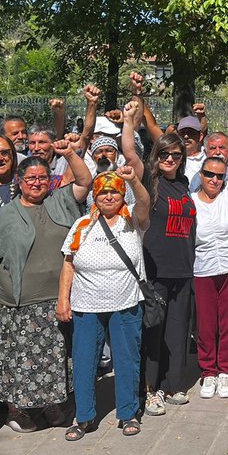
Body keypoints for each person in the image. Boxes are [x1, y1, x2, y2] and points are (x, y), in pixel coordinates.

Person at [0, 144, 92, 434]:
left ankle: (51, 404)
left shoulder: (60, 201)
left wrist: (70, 154)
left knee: (55, 356)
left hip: (59, 297)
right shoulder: (4, 216)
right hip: (20, 301)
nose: (37, 183)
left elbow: (85, 181)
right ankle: (17, 410)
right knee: (19, 357)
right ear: (19, 182)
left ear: (51, 180)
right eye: (30, 179)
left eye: (43, 178)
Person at [59, 167, 152, 440]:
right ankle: (83, 417)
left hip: (125, 302)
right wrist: (63, 299)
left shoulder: (132, 220)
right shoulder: (82, 226)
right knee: (85, 361)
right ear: (94, 197)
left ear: (122, 195)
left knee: (127, 359)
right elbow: (68, 263)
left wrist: (133, 179)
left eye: (114, 191)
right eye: (102, 192)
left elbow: (145, 202)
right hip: (86, 304)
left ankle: (128, 413)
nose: (108, 197)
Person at [140, 132, 197, 415]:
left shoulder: (184, 184)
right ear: (156, 157)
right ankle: (151, 390)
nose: (170, 160)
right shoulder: (149, 184)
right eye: (165, 155)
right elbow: (129, 148)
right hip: (156, 270)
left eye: (176, 155)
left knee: (178, 330)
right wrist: (131, 119)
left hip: (184, 269)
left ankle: (173, 384)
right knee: (154, 331)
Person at [191, 155, 228, 399]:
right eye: (210, 174)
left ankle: (224, 370)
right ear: (200, 175)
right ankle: (208, 372)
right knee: (205, 324)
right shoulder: (190, 202)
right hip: (202, 268)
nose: (215, 180)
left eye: (220, 176)